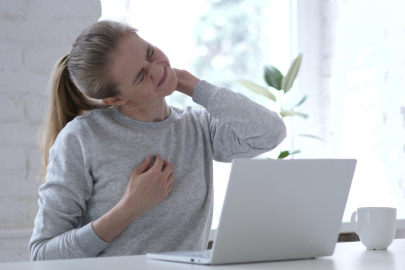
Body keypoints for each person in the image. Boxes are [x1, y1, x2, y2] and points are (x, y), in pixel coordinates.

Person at [28, 20, 287, 261]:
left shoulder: (198, 127)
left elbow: (270, 133)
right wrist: (130, 207)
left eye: (150, 53)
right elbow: (43, 254)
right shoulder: (83, 138)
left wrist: (195, 86)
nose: (157, 69)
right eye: (140, 76)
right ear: (116, 100)